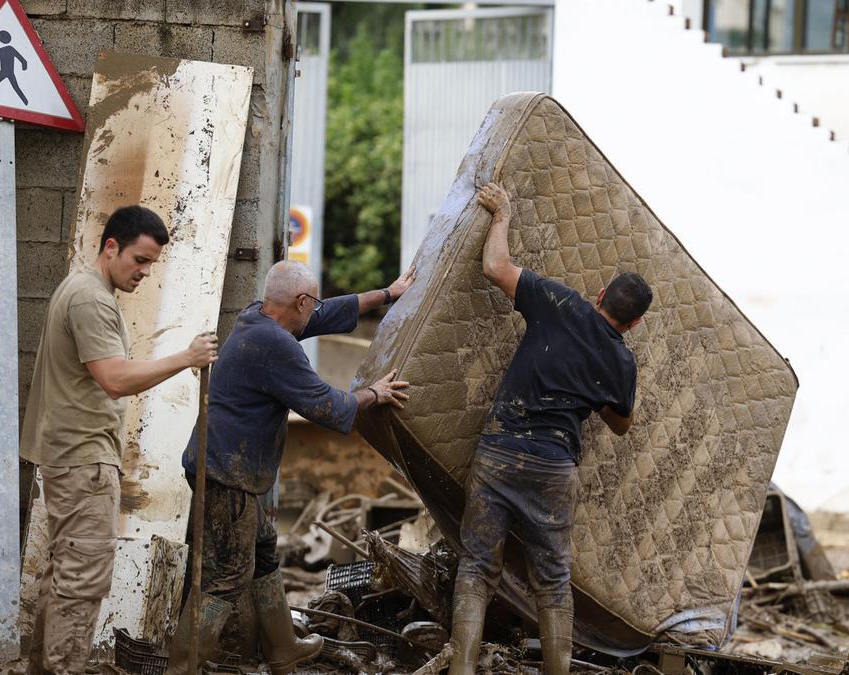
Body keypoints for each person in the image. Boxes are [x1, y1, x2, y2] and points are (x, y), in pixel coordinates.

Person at [169, 260, 415, 675]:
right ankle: (181, 667)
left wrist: (387, 294)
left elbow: (325, 312)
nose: (314, 311)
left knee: (263, 552)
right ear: (300, 301)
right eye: (310, 303)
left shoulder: (258, 315)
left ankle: (283, 649)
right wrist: (374, 393)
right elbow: (328, 406)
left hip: (227, 469)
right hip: (225, 475)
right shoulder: (276, 346)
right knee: (225, 577)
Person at [447, 183, 652, 675]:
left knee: (476, 568)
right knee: (554, 581)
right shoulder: (622, 361)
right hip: (555, 467)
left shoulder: (560, 302)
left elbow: (495, 267)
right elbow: (622, 425)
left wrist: (502, 216)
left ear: (600, 294)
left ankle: (461, 670)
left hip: (500, 451)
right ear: (636, 323)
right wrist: (595, 389)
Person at [22, 205, 218, 674]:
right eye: (140, 260)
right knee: (82, 580)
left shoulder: (85, 289)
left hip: (71, 453)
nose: (145, 272)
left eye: (151, 264)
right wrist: (186, 357)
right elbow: (114, 378)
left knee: (64, 573)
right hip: (83, 458)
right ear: (111, 246)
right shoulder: (90, 299)